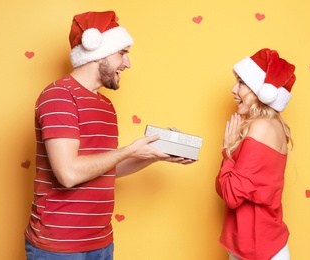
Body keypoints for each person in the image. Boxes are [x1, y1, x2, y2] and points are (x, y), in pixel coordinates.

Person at [24, 10, 193, 259]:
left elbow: (107, 168)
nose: (128, 63)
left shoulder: (105, 106)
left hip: (101, 242)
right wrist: (128, 150)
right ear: (96, 52)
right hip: (60, 246)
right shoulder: (59, 96)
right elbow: (68, 174)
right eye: (122, 53)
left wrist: (152, 156)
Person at [215, 48, 296, 260]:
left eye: (241, 82)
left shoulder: (261, 127)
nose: (233, 89)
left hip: (259, 250)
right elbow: (229, 188)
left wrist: (227, 150)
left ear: (261, 90)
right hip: (251, 247)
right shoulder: (271, 125)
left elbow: (231, 195)